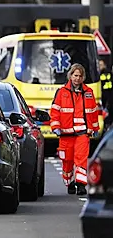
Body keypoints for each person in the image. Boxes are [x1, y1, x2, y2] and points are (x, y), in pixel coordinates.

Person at [50, 63, 99, 196]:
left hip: (83, 133)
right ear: (70, 76)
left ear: (83, 78)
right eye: (75, 75)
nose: (77, 78)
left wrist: (95, 128)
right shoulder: (61, 92)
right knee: (67, 161)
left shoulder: (88, 93)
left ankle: (81, 185)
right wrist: (55, 127)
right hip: (66, 134)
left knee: (81, 159)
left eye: (80, 76)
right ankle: (69, 181)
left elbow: (93, 112)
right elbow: (55, 112)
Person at [99, 60, 113, 130]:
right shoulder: (108, 73)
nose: (100, 66)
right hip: (105, 94)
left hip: (108, 93)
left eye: (101, 65)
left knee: (109, 110)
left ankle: (107, 125)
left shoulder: (103, 73)